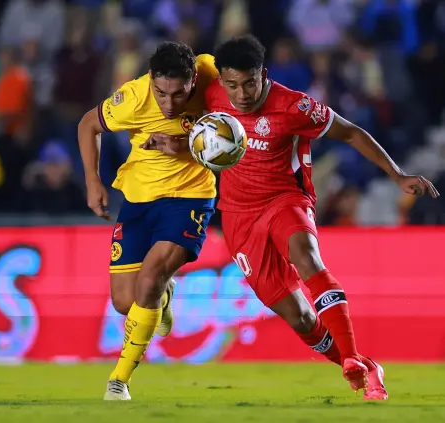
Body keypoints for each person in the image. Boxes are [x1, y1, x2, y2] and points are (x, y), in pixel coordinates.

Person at [143, 35, 440, 401]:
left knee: (307, 257)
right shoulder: (212, 95)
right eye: (232, 85)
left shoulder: (294, 107)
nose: (241, 94)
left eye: (249, 83)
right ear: (221, 81)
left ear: (263, 75)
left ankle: (349, 357)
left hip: (286, 199)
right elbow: (193, 125)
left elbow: (351, 133)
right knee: (299, 317)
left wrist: (398, 175)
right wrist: (175, 145)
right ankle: (364, 364)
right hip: (238, 216)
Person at [77, 42, 218, 400]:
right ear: (151, 79)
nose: (170, 104)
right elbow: (87, 125)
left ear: (193, 80)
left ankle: (119, 380)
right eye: (162, 93)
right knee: (126, 302)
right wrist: (93, 181)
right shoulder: (133, 97)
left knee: (151, 276)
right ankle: (164, 297)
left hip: (190, 195)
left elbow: (235, 131)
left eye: (179, 94)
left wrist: (185, 146)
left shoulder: (211, 74)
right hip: (139, 200)